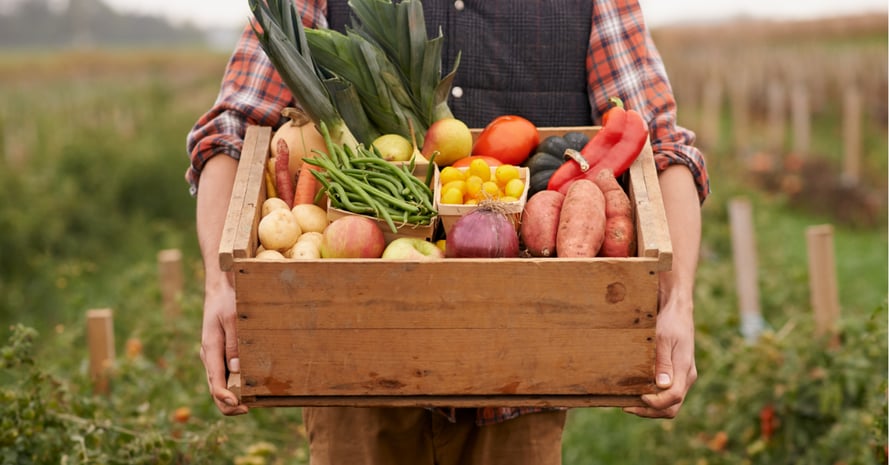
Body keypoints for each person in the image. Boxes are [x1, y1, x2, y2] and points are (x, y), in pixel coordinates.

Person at [186, 1, 709, 463]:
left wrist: (677, 301)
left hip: (524, 374)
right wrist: (219, 286)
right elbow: (231, 131)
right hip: (354, 368)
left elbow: (662, 148)